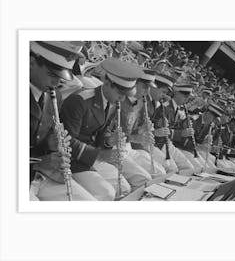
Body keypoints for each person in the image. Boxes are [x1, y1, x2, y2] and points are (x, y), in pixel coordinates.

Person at [60, 58, 152, 194]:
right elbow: (67, 142)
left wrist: (109, 141)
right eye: (120, 93)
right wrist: (100, 155)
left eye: (125, 94)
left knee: (135, 183)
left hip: (94, 156)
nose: (122, 98)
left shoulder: (113, 103)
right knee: (109, 192)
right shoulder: (80, 101)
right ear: (107, 83)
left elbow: (102, 136)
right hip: (75, 160)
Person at [30, 41, 97, 201]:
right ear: (31, 63)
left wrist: (51, 144)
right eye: (53, 74)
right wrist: (39, 162)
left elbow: (38, 138)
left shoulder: (55, 95)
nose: (58, 83)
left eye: (61, 76)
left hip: (40, 174)